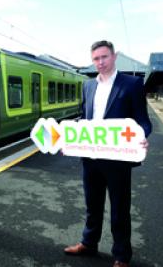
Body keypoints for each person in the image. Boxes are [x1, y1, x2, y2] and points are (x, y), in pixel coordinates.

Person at [64, 41, 152, 267]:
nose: (100, 62)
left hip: (118, 159)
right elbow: (85, 118)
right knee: (92, 205)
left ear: (114, 57)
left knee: (119, 209)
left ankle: (122, 255)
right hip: (91, 158)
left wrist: (142, 135)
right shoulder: (88, 86)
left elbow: (143, 120)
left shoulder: (132, 84)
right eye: (96, 59)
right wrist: (70, 134)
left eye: (104, 57)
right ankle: (88, 243)